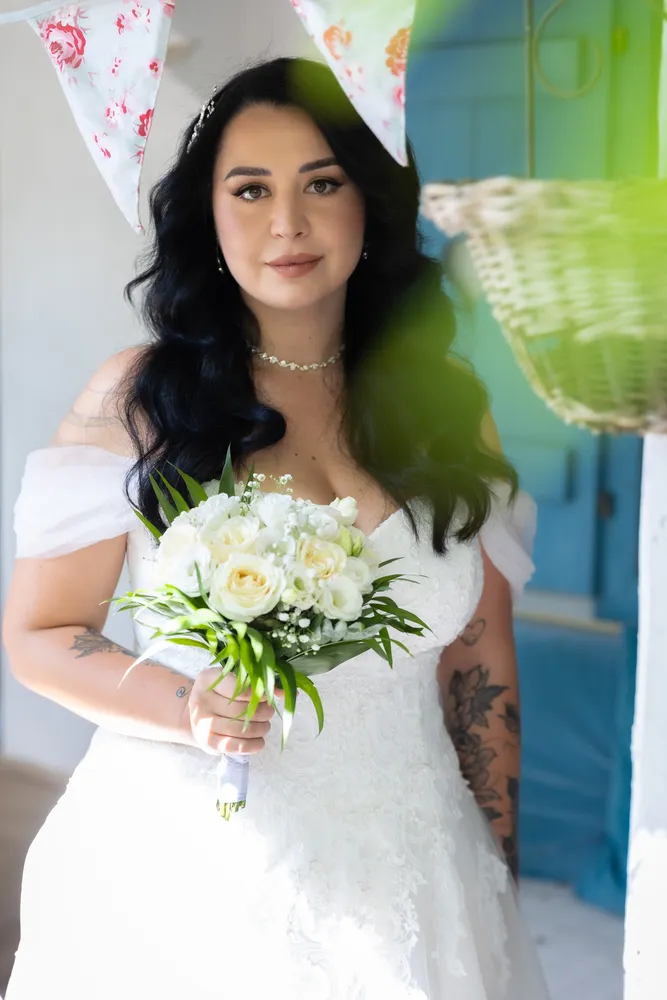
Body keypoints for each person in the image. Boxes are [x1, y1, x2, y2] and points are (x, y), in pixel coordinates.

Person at [2, 57, 549, 1000]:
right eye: (250, 190)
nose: (287, 223)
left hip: (419, 866)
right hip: (191, 871)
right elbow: (41, 634)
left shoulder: (449, 405)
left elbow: (476, 655)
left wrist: (495, 866)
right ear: (207, 217)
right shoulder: (139, 399)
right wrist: (188, 706)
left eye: (321, 184)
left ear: (370, 203)